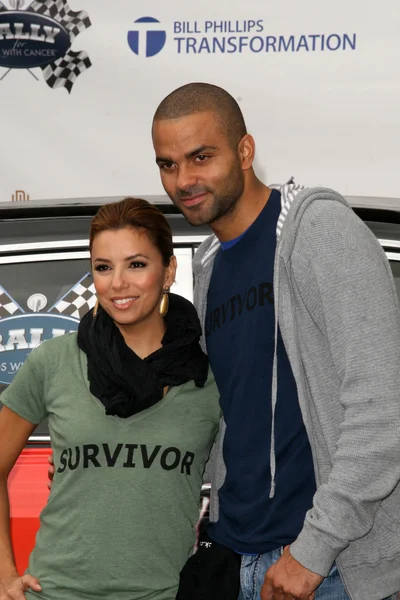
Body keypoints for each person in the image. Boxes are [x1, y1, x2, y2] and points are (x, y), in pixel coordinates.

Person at [149, 83, 400, 600]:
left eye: (201, 157)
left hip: (325, 570)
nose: (184, 180)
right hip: (237, 559)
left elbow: (384, 407)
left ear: (245, 151)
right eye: (168, 164)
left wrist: (312, 552)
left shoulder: (317, 231)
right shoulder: (208, 263)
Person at [0, 197, 221, 600]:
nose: (118, 282)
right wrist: (3, 574)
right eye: (103, 267)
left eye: (136, 264)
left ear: (168, 270)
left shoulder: (210, 378)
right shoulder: (53, 361)